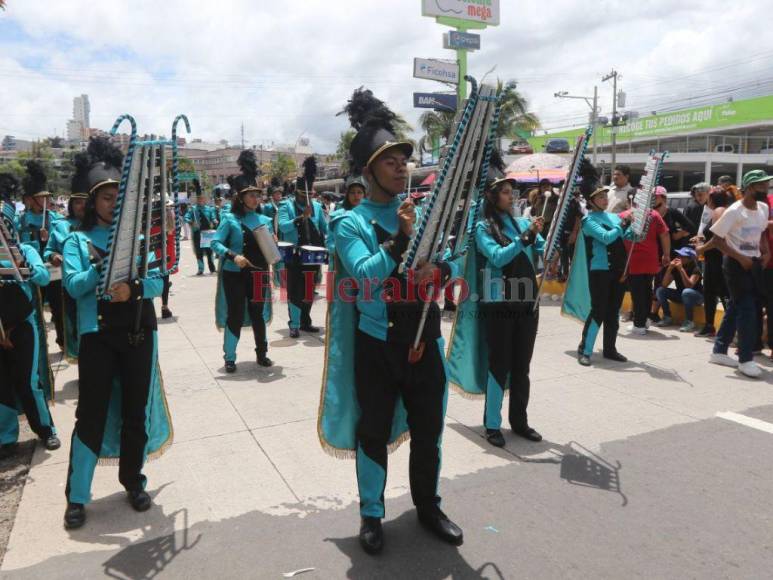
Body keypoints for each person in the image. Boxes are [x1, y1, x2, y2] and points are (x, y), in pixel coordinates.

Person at [318, 87, 463, 555]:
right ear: (368, 171)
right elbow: (362, 278)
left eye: (404, 160)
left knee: (429, 430)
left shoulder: (421, 215)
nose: (402, 167)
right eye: (390, 161)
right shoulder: (350, 223)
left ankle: (428, 506)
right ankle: (372, 513)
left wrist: (437, 270)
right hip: (377, 347)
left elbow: (450, 266)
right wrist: (400, 242)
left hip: (426, 337)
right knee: (373, 432)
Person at [62, 136, 173, 529]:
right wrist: (103, 269)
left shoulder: (142, 240)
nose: (114, 203)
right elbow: (73, 286)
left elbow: (161, 281)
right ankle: (77, 496)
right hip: (98, 336)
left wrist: (136, 288)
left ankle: (134, 481)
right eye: (106, 198)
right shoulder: (76, 240)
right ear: (93, 202)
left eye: (118, 196)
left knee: (134, 414)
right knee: (89, 415)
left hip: (138, 334)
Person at [447, 158, 545, 448]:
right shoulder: (481, 227)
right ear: (491, 196)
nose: (510, 196)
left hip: (526, 300)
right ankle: (492, 424)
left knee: (522, 366)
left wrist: (541, 239)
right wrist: (525, 238)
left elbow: (537, 252)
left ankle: (520, 421)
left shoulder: (519, 222)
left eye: (510, 191)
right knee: (498, 365)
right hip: (498, 302)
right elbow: (498, 257)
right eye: (504, 191)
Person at [0, 174, 60, 459]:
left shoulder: (24, 250)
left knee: (28, 381)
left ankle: (46, 430)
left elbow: (44, 276)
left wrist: (24, 265)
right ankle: (6, 437)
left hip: (22, 325)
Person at [701, 170, 770, 378]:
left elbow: (761, 232)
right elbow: (718, 239)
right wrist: (740, 258)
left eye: (767, 185)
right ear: (749, 188)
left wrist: (765, 251)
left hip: (754, 263)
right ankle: (746, 359)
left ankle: (720, 350)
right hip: (734, 264)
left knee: (736, 305)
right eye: (761, 186)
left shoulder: (764, 208)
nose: (766, 189)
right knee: (747, 309)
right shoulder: (734, 210)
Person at [211, 150, 273, 373]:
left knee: (258, 312)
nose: (257, 199)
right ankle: (229, 357)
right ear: (240, 197)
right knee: (235, 314)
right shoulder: (229, 219)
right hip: (234, 273)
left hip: (259, 273)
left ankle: (262, 354)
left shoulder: (265, 219)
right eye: (252, 195)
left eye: (258, 195)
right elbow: (215, 244)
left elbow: (272, 251)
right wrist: (233, 256)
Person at [565, 180, 632, 366]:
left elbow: (627, 237)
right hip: (600, 272)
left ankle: (610, 349)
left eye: (605, 196)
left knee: (613, 313)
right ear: (591, 201)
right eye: (600, 197)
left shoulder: (614, 218)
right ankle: (585, 350)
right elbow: (606, 238)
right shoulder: (588, 221)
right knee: (598, 312)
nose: (604, 199)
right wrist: (623, 224)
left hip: (617, 271)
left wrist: (636, 229)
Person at [43, 160, 89, 360]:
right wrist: (54, 256)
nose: (82, 206)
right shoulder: (61, 225)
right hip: (69, 284)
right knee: (71, 322)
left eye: (85, 201)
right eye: (77, 202)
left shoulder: (99, 224)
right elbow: (49, 250)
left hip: (93, 284)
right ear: (71, 204)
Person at [277, 156, 327, 338]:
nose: (307, 198)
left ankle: (306, 321)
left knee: (308, 290)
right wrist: (301, 218)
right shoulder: (285, 206)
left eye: (310, 195)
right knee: (295, 290)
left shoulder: (317, 207)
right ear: (297, 193)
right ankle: (294, 323)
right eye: (304, 195)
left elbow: (324, 228)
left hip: (313, 256)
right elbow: (283, 226)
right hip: (294, 255)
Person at [19, 161, 65, 348]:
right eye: (41, 198)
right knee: (35, 312)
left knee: (60, 309)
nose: (46, 201)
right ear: (30, 200)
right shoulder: (20, 221)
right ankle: (40, 347)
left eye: (47, 197)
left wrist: (49, 240)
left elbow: (64, 243)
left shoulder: (57, 219)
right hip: (34, 274)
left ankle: (63, 341)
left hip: (55, 272)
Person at [619, 196, 670, 335]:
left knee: (638, 293)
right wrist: (666, 254)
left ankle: (639, 325)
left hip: (633, 260)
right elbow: (665, 234)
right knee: (647, 290)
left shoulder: (625, 216)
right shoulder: (654, 214)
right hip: (650, 259)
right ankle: (645, 320)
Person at [693, 188, 731, 337]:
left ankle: (723, 328)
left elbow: (717, 239)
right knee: (715, 293)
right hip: (714, 258)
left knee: (720, 293)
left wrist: (701, 248)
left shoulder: (719, 211)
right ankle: (712, 326)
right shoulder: (721, 211)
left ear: (712, 199)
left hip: (717, 259)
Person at [655, 247, 704, 332]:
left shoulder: (696, 268)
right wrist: (669, 268)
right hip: (682, 295)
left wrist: (681, 269)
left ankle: (689, 321)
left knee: (686, 292)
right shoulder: (675, 268)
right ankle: (667, 317)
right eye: (679, 255)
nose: (678, 257)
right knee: (660, 290)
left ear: (689, 259)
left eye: (682, 256)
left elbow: (689, 286)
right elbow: (664, 284)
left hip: (697, 297)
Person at [326, 175, 366, 259]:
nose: (356, 195)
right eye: (352, 192)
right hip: (341, 263)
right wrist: (341, 252)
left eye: (359, 192)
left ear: (364, 195)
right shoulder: (337, 216)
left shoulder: (370, 216)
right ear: (347, 195)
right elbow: (329, 241)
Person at [185, 179, 218, 275]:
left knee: (209, 251)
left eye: (202, 198)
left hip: (207, 233)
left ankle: (212, 269)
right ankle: (200, 269)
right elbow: (186, 217)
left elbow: (213, 217)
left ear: (205, 199)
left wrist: (214, 221)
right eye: (199, 198)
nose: (200, 200)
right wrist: (191, 222)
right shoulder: (193, 209)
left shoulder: (209, 209)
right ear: (197, 199)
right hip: (197, 233)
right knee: (199, 252)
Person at [652, 186, 695, 252]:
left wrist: (678, 235)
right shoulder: (649, 213)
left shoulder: (672, 212)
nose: (652, 199)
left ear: (664, 199)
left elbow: (690, 226)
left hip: (670, 252)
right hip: (653, 251)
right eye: (651, 197)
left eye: (655, 197)